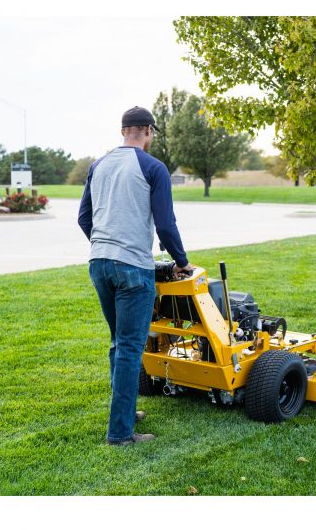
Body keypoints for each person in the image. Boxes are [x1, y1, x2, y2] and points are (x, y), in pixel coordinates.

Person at [78, 106, 192, 446]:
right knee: (130, 347)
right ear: (146, 130)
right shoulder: (153, 167)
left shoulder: (98, 165)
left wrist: (106, 247)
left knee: (118, 342)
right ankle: (120, 433)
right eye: (152, 132)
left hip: (99, 262)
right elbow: (165, 225)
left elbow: (84, 218)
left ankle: (124, 412)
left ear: (124, 130)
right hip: (131, 268)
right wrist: (181, 261)